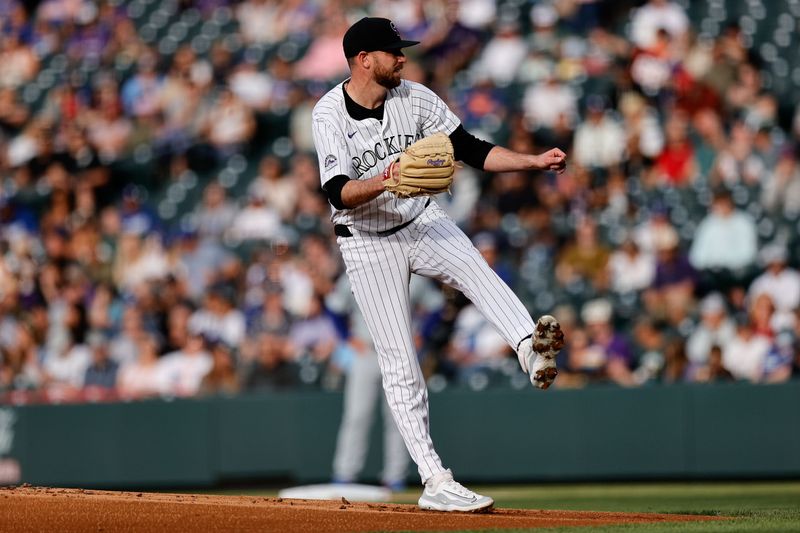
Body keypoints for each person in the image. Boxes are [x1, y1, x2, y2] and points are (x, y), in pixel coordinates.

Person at [311, 17, 566, 513]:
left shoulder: (415, 96)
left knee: (476, 270)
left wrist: (532, 162)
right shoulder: (328, 114)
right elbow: (336, 191)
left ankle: (528, 347)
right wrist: (388, 178)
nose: (402, 57)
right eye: (392, 51)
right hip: (366, 241)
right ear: (364, 59)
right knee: (400, 364)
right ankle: (435, 481)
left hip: (420, 218)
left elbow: (469, 149)